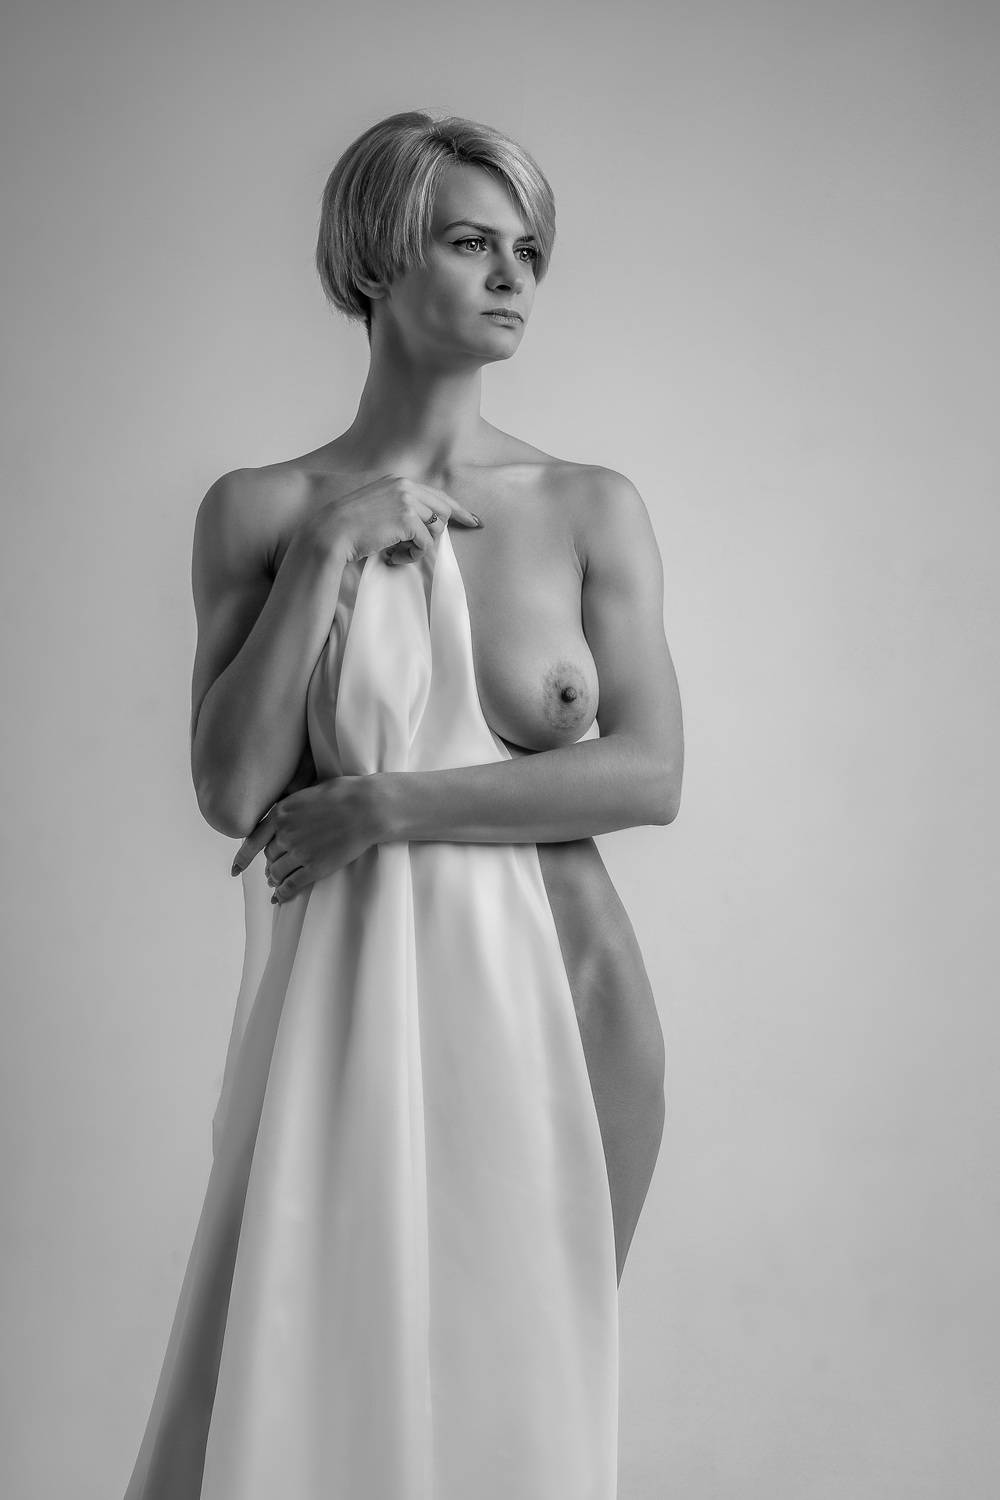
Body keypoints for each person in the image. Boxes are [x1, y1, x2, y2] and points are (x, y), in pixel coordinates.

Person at [123, 109, 684, 1500]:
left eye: (529, 251)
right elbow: (231, 789)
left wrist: (384, 806)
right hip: (344, 1019)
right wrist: (327, 549)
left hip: (576, 1007)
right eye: (471, 242)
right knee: (289, 1397)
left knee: (515, 1422)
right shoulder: (264, 511)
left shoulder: (587, 506)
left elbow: (649, 773)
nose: (512, 277)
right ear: (377, 256)